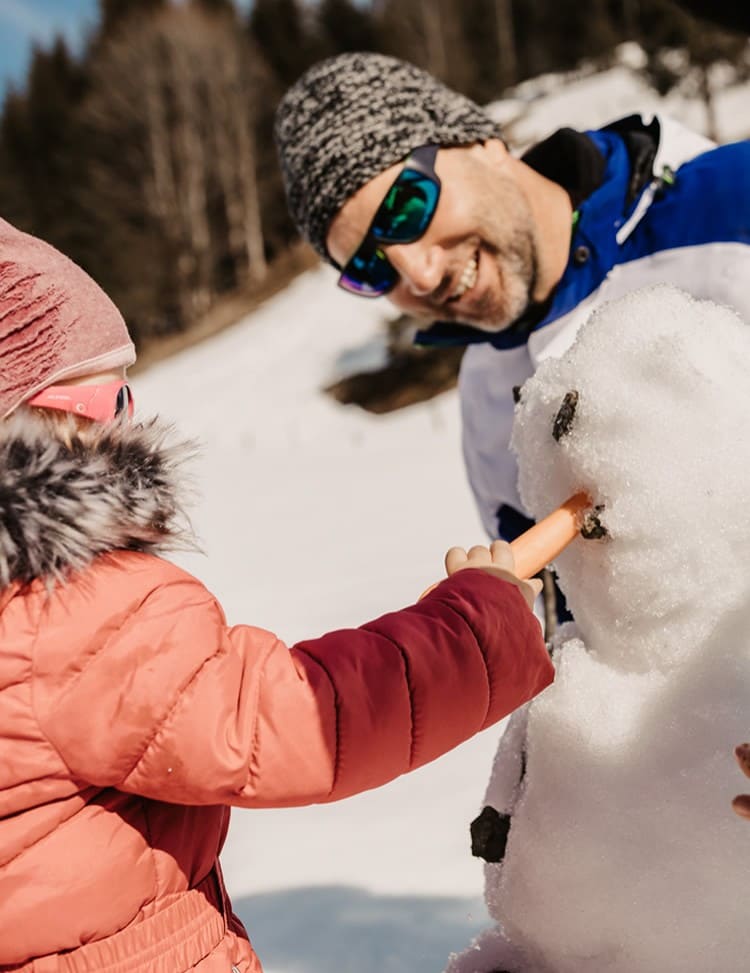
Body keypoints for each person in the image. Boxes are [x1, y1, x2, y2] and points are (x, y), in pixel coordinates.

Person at [0, 215, 553, 972]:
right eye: (101, 409)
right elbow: (296, 718)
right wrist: (475, 621)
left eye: (129, 400)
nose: (123, 432)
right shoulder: (66, 616)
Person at [274, 52, 750, 554]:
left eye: (407, 205)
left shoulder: (734, 207)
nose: (420, 275)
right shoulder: (487, 396)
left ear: (481, 143)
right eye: (370, 265)